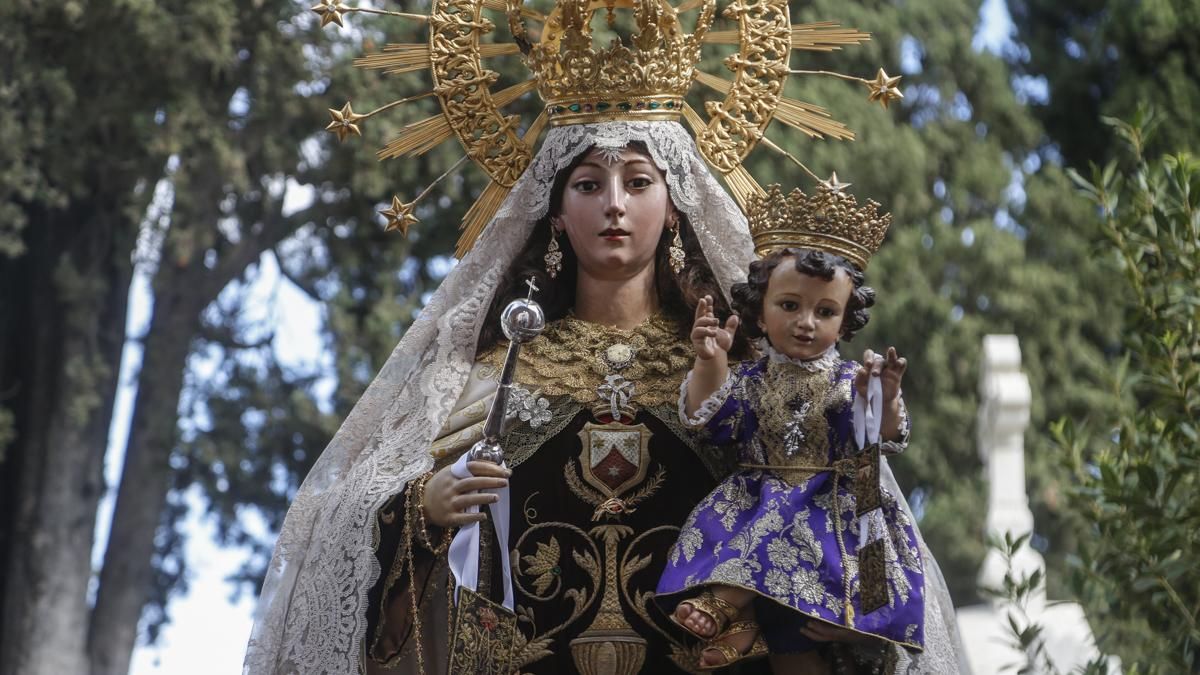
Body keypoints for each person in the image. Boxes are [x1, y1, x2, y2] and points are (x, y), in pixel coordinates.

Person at [655, 237, 926, 673]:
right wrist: (710, 362)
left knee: (790, 536)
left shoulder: (851, 380)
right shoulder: (749, 379)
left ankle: (729, 602)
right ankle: (746, 618)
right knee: (788, 636)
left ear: (845, 322)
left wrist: (884, 398)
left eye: (825, 312)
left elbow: (883, 440)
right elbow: (712, 423)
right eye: (789, 306)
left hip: (836, 519)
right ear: (760, 314)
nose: (806, 323)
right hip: (757, 502)